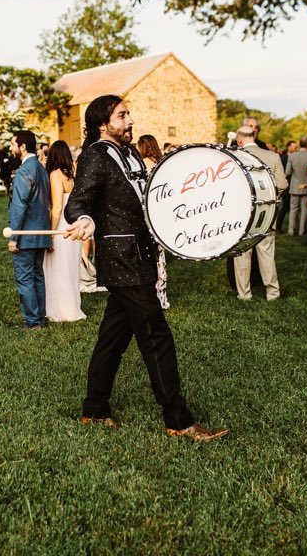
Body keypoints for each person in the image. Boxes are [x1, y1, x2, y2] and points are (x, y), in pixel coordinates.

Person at [63, 94, 227, 441]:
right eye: (122, 116)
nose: (130, 120)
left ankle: (94, 409)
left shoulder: (131, 152)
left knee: (112, 338)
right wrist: (85, 219)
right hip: (123, 260)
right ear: (102, 124)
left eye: (129, 114)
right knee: (156, 337)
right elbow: (78, 202)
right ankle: (179, 421)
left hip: (142, 255)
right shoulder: (95, 155)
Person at [232, 125, 287, 300]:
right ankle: (272, 292)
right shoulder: (273, 156)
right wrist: (268, 197)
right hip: (266, 214)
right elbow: (283, 184)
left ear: (239, 139)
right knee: (267, 252)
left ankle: (244, 293)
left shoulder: (235, 157)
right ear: (254, 136)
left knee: (242, 254)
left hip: (242, 214)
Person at [7, 130, 51, 329]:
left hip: (25, 234)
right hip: (41, 232)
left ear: (22, 146)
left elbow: (19, 205)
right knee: (37, 277)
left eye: (13, 143)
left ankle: (33, 322)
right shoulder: (42, 169)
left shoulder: (24, 171)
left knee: (25, 278)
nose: (10, 147)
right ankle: (40, 317)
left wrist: (14, 236)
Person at [43, 140, 85, 322]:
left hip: (61, 228)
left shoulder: (55, 174)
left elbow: (58, 207)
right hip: (73, 225)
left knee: (57, 268)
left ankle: (60, 311)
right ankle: (73, 307)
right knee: (70, 269)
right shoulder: (73, 175)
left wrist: (50, 234)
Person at [137, 134, 170, 309]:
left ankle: (149, 294)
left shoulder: (140, 166)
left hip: (145, 214)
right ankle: (161, 294)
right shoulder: (162, 164)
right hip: (160, 214)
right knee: (159, 255)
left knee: (146, 254)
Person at [285, 136, 307, 236]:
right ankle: (301, 231)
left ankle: (291, 230)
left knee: (293, 209)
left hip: (294, 185)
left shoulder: (292, 156)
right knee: (304, 210)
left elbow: (288, 172)